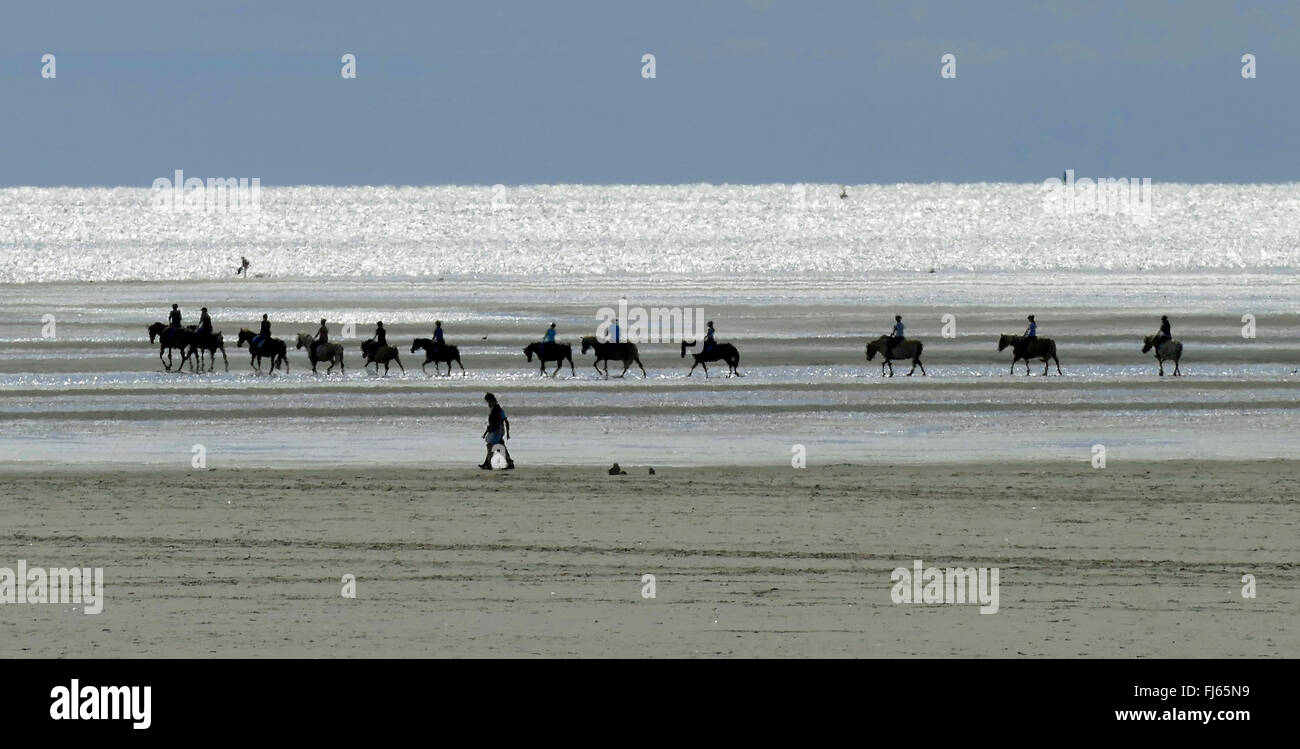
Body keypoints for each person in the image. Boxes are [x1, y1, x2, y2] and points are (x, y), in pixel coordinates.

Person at [480, 392, 514, 470]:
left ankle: (488, 464)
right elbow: (491, 423)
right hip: (495, 430)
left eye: (488, 401)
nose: (487, 403)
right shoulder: (493, 408)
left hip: (497, 431)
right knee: (500, 446)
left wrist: (507, 433)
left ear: (491, 400)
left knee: (490, 446)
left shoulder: (497, 409)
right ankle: (509, 462)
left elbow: (505, 421)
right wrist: (485, 433)